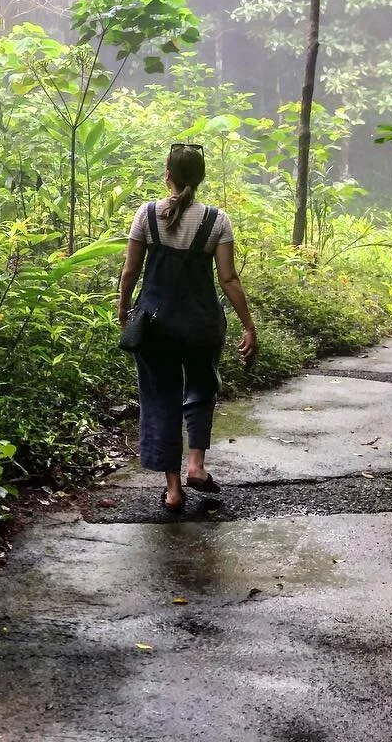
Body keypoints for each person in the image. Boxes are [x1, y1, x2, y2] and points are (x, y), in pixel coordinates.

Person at [116, 143, 257, 513]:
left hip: (155, 325)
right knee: (201, 388)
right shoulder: (217, 220)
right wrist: (248, 325)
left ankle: (174, 490)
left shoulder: (146, 214)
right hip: (201, 324)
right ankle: (197, 465)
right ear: (201, 177)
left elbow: (130, 270)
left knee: (160, 399)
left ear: (168, 176)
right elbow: (228, 279)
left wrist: (123, 308)